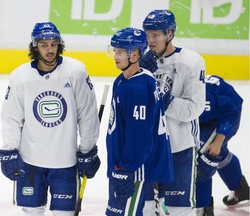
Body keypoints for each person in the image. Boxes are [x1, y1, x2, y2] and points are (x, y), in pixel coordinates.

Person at [0, 22, 101, 216]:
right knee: (31, 211)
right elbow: (11, 117)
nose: (50, 49)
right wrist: (9, 149)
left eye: (54, 44)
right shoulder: (20, 76)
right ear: (35, 46)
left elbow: (87, 114)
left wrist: (87, 149)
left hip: (66, 162)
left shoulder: (75, 72)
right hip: (31, 162)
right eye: (44, 45)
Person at [140, 10, 206, 215]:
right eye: (147, 35)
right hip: (147, 148)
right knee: (146, 208)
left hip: (180, 147)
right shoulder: (141, 61)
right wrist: (139, 76)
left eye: (156, 35)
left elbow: (193, 109)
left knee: (180, 210)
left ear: (170, 34)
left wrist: (159, 93)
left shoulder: (191, 62)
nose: (150, 41)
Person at [105, 27, 173, 216]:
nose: (115, 56)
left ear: (135, 55)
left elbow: (140, 138)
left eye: (120, 52)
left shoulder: (138, 89)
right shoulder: (124, 79)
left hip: (133, 170)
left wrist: (126, 169)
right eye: (115, 51)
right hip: (122, 164)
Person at [195, 75, 249, 215]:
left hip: (225, 115)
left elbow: (231, 110)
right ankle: (240, 188)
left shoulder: (205, 96)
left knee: (203, 158)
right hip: (207, 116)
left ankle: (204, 208)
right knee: (219, 153)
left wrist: (219, 140)